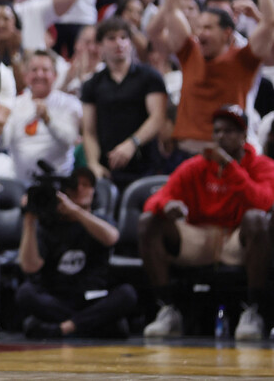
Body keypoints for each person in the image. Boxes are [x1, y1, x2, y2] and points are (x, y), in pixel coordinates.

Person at [139, 105, 274, 340]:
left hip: (236, 237)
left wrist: (230, 168)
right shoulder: (196, 166)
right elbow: (157, 198)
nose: (222, 136)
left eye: (230, 131)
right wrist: (168, 205)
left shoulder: (262, 165)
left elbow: (264, 202)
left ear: (244, 137)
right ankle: (168, 309)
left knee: (257, 220)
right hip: (200, 236)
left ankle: (253, 311)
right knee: (149, 221)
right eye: (218, 131)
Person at [147, 0, 274, 153]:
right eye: (200, 27)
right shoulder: (190, 52)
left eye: (208, 28)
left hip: (227, 150)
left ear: (227, 33)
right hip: (187, 150)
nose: (200, 33)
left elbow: (269, 23)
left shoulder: (243, 57)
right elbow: (170, 12)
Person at [17, 167, 137, 339]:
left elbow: (112, 238)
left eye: (86, 184)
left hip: (91, 297)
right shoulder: (48, 225)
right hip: (57, 297)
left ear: (94, 191)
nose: (80, 189)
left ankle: (63, 328)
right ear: (64, 191)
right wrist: (29, 219)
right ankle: (93, 325)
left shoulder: (100, 220)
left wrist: (75, 211)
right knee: (25, 293)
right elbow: (29, 267)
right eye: (74, 185)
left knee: (127, 294)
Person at [81, 17, 167, 189]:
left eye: (123, 37)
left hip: (145, 165)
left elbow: (158, 117)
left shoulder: (149, 77)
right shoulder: (92, 84)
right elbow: (89, 131)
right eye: (111, 38)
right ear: (100, 46)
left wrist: (132, 143)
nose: (118, 43)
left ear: (131, 42)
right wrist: (93, 163)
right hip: (108, 168)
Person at [2, 50, 82, 183]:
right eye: (34, 70)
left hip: (58, 181)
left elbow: (71, 139)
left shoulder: (69, 103)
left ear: (55, 75)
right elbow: (4, 141)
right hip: (20, 182)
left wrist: (48, 119)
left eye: (45, 70)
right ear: (25, 75)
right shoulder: (15, 104)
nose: (39, 74)